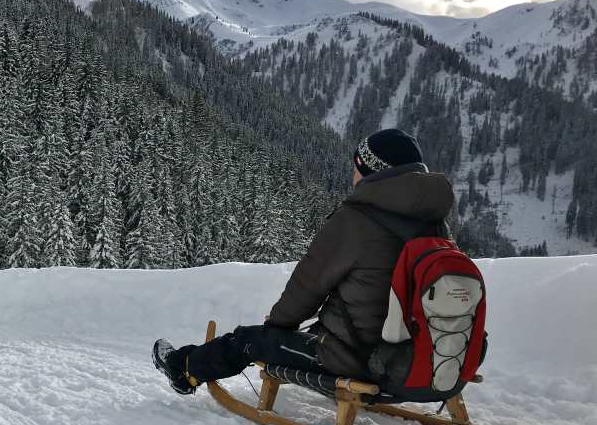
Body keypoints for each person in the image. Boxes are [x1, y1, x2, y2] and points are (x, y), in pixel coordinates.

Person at [153, 128, 455, 394]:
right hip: (430, 359)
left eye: (357, 168)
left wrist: (278, 324)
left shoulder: (355, 221)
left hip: (360, 362)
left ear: (371, 171)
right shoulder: (435, 222)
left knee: (247, 339)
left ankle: (183, 370)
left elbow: (307, 286)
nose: (353, 175)